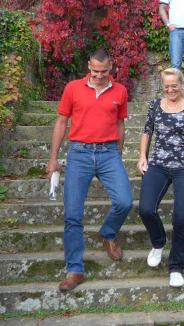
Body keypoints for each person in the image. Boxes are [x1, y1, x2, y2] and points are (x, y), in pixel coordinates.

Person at [47, 49, 133, 292]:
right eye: (95, 71)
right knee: (73, 215)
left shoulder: (120, 91)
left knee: (125, 201)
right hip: (79, 154)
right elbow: (61, 122)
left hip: (109, 153)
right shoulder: (73, 88)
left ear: (111, 67)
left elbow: (120, 124)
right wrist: (53, 159)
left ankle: (107, 233)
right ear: (88, 66)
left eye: (103, 72)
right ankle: (75, 269)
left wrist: (118, 154)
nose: (99, 76)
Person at [137, 67, 184, 288]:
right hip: (158, 164)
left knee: (181, 217)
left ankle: (176, 267)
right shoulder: (155, 105)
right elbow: (147, 131)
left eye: (174, 86)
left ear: (181, 85)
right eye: (166, 86)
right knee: (146, 209)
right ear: (163, 86)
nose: (170, 90)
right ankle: (158, 242)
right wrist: (142, 156)